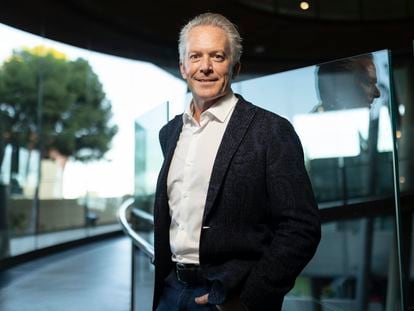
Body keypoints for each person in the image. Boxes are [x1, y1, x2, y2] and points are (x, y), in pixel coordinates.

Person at [153, 13, 321, 311]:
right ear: (183, 67)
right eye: (195, 57)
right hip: (170, 292)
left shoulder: (270, 130)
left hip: (229, 298)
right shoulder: (169, 134)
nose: (205, 67)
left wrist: (249, 298)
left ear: (235, 67)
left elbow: (301, 227)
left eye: (217, 56)